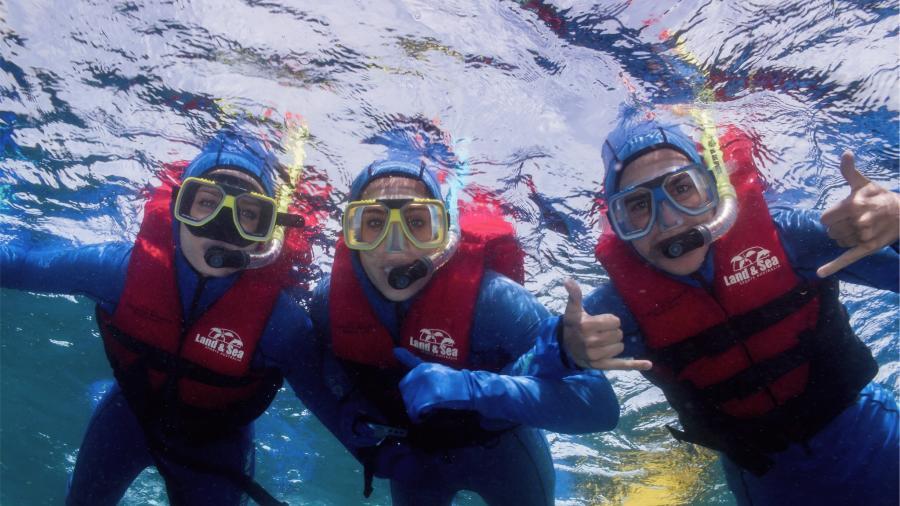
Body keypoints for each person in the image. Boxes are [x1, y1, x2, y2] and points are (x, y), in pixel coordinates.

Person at [565, 110, 899, 505]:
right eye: (638, 206)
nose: (669, 219)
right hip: (765, 481)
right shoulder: (613, 311)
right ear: (617, 226)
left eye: (682, 188)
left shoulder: (789, 238)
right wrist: (567, 353)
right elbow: (553, 381)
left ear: (714, 191)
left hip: (875, 442)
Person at [295, 128, 638, 506]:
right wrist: (352, 415)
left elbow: (600, 408)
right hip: (414, 461)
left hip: (504, 454)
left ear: (443, 235)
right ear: (350, 233)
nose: (394, 246)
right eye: (374, 223)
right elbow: (329, 374)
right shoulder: (328, 301)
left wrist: (476, 390)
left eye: (417, 222)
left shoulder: (494, 300)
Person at [1, 128, 315, 506]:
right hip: (127, 417)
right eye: (205, 203)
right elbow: (21, 264)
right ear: (177, 208)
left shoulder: (280, 323)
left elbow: (341, 403)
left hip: (218, 444)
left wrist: (371, 438)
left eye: (248, 214)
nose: (222, 226)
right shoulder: (119, 270)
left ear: (266, 233)